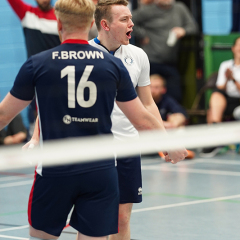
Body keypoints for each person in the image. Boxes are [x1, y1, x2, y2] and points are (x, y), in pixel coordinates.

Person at [0, 0, 187, 239]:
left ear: (59, 23)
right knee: (91, 228)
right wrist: (36, 138)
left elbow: (145, 107)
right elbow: (51, 106)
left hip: (113, 151)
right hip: (94, 157)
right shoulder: (103, 62)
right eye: (124, 19)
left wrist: (164, 140)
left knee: (117, 220)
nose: (132, 23)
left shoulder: (134, 57)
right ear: (99, 24)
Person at [6, 0, 61, 137]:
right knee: (36, 125)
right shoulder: (27, 14)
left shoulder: (61, 16)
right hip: (36, 81)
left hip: (60, 80)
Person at [132, 0, 198, 102]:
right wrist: (142, 34)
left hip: (171, 61)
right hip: (150, 61)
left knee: (175, 95)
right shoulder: (147, 10)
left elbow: (193, 27)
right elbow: (130, 21)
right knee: (148, 95)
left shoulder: (179, 8)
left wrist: (183, 31)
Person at [200, 37, 240, 157]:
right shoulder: (226, 65)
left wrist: (233, 79)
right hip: (227, 100)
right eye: (238, 45)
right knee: (216, 94)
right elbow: (220, 86)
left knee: (212, 109)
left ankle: (214, 139)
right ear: (233, 48)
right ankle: (215, 132)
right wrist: (227, 78)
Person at [150, 74, 195, 159]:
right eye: (150, 87)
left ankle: (178, 149)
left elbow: (182, 114)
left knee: (178, 124)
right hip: (144, 137)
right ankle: (167, 151)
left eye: (156, 87)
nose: (152, 90)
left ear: (163, 90)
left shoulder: (167, 100)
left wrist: (173, 123)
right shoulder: (139, 101)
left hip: (163, 134)